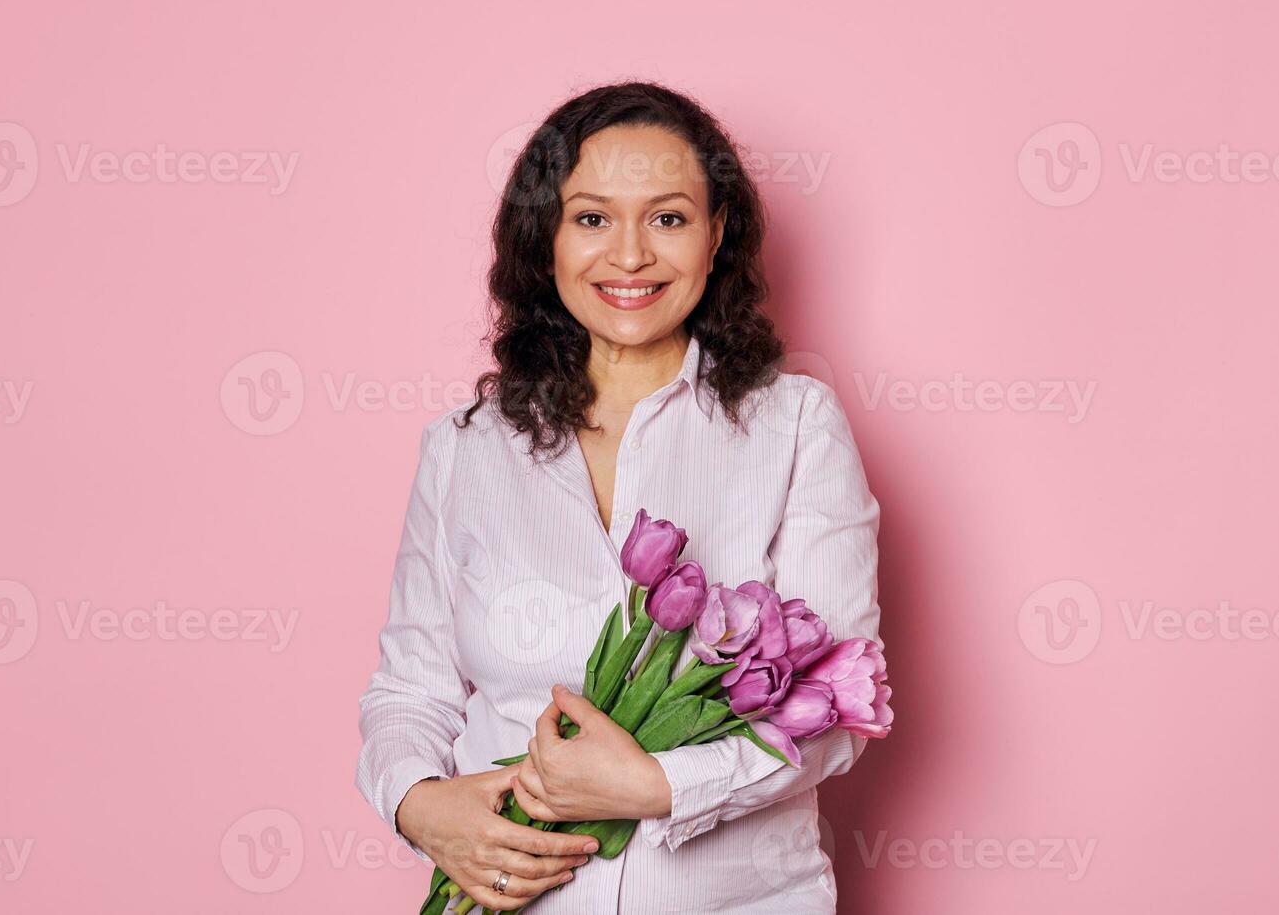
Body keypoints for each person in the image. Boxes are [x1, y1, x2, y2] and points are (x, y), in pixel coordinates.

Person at [355, 81, 883, 913]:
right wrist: (419, 803)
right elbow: (408, 692)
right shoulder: (464, 448)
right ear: (545, 241)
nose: (630, 255)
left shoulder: (797, 427)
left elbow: (833, 707)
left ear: (716, 237)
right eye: (592, 218)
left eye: (667, 218)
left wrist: (656, 785)